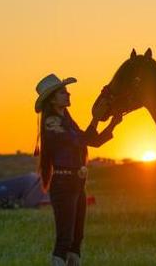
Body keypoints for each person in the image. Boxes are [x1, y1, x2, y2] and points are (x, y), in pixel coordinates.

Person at [34, 73, 122, 266]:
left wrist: (113, 123)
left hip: (76, 184)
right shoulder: (52, 123)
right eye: (63, 92)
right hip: (64, 185)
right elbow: (79, 141)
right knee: (65, 239)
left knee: (76, 239)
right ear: (52, 99)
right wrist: (95, 120)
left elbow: (93, 141)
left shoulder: (66, 121)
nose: (68, 94)